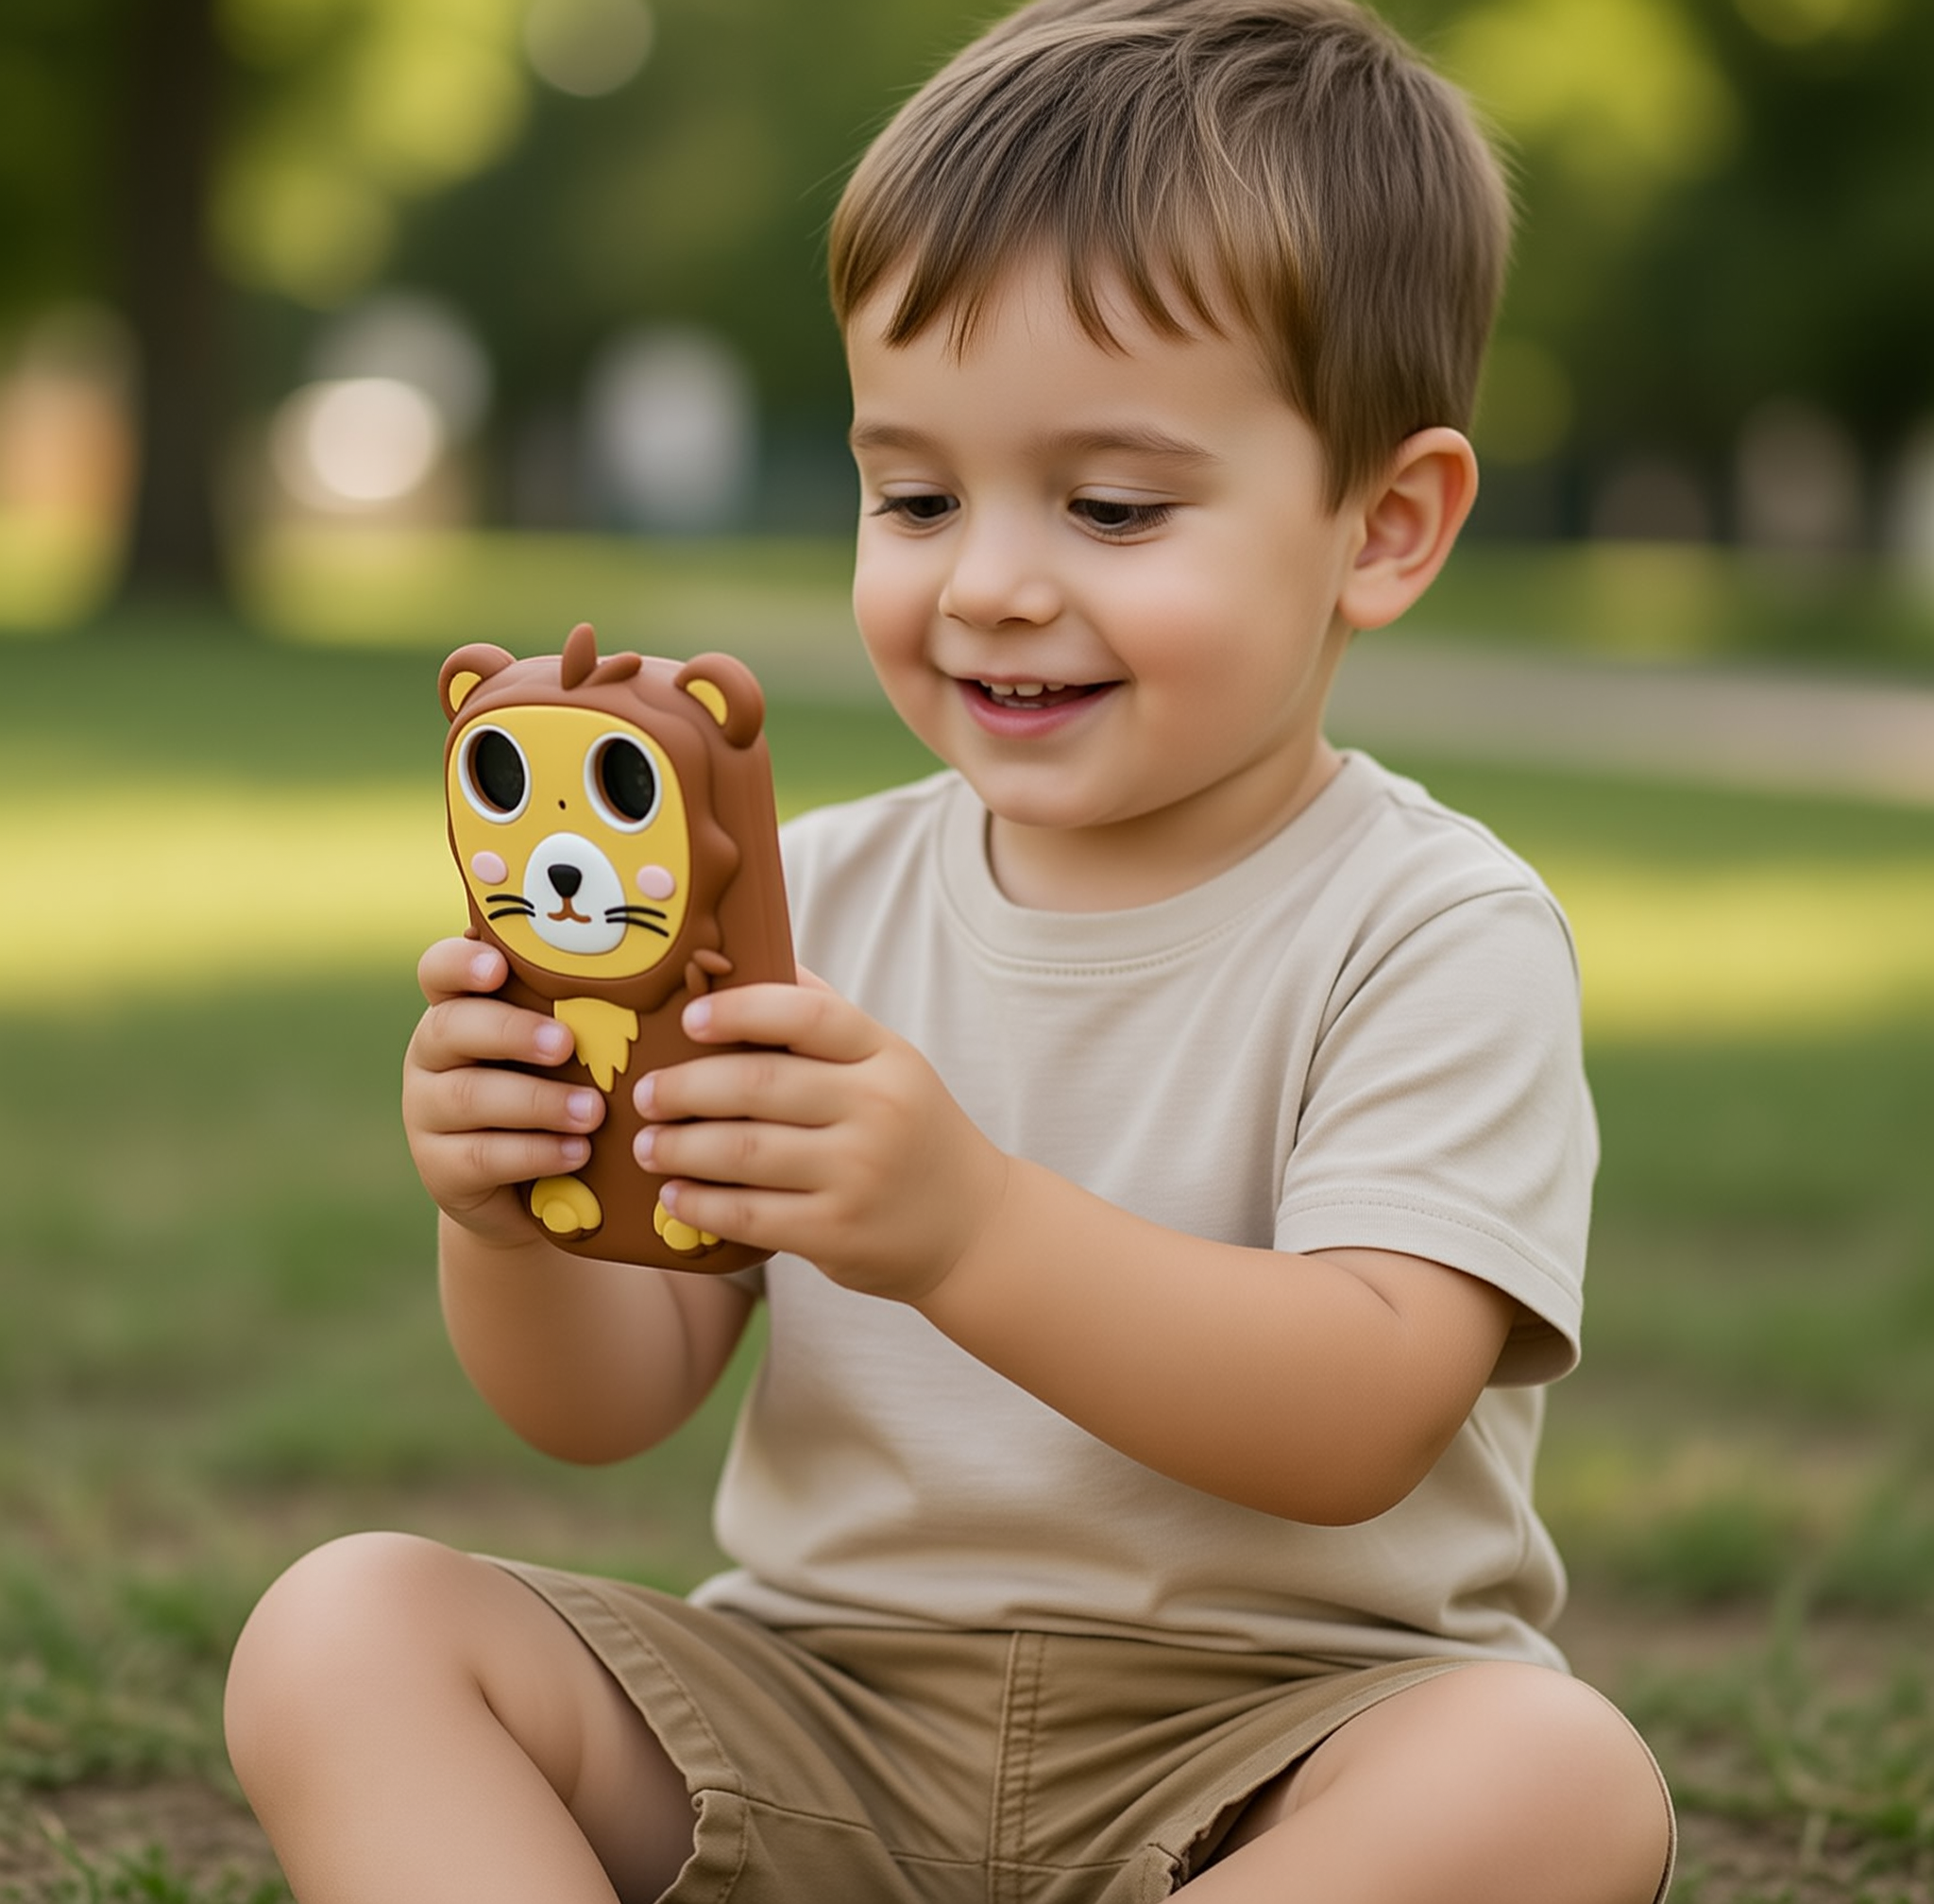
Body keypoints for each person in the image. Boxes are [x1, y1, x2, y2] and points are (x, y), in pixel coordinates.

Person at [224, 2, 1676, 1899]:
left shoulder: (1428, 931)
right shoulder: (796, 896)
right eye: (913, 494)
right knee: (346, 1629)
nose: (986, 576)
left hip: (1277, 1737)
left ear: (1381, 528)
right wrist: (510, 1209)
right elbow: (604, 1402)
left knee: (1552, 1779)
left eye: (1109, 506)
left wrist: (970, 1230)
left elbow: (1358, 1414)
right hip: (811, 1708)